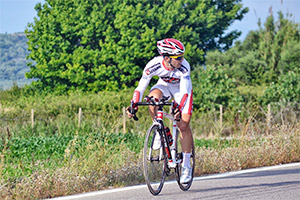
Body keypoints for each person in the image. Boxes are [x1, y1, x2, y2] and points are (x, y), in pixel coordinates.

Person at [126, 38, 193, 183]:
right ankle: (158, 128)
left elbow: (185, 92)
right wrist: (134, 103)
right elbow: (141, 87)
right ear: (167, 58)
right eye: (178, 57)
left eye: (182, 56)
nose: (182, 60)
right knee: (152, 99)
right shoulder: (154, 64)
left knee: (183, 125)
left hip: (181, 91)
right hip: (163, 86)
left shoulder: (184, 67)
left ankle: (186, 166)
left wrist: (178, 108)